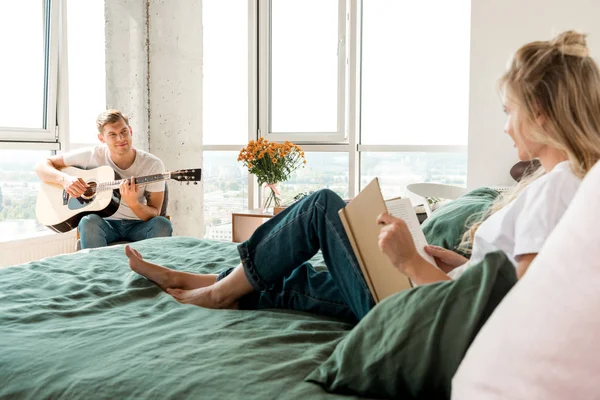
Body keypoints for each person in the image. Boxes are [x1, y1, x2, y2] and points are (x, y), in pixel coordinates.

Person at [125, 30, 600, 322]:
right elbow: (500, 285)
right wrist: (453, 265)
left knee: (322, 206)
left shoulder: (559, 191)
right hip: (431, 300)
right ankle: (209, 280)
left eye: (509, 111)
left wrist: (412, 265)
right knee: (301, 278)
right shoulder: (566, 186)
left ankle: (214, 291)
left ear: (538, 112)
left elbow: (508, 320)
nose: (504, 126)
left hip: (422, 317)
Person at [35, 109, 173, 249]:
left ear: (130, 130)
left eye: (124, 131)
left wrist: (134, 204)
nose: (121, 138)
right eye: (112, 134)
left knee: (162, 224)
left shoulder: (153, 164)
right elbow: (41, 166)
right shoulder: (92, 155)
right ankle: (99, 269)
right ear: (102, 139)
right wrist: (65, 180)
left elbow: (155, 213)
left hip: (139, 225)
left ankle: (149, 270)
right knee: (88, 222)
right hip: (105, 225)